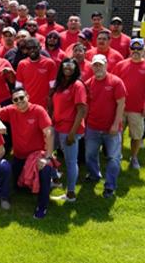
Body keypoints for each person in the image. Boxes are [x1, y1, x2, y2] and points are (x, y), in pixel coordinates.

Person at [0, 88, 54, 219]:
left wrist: (47, 157)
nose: (19, 101)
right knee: (17, 187)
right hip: (19, 156)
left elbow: (50, 132)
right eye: (15, 99)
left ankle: (42, 206)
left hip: (36, 155)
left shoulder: (38, 110)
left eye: (21, 98)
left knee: (45, 169)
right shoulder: (11, 110)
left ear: (28, 97)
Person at [112, 39, 145, 169]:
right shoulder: (120, 65)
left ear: (143, 50)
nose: (136, 52)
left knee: (136, 136)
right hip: (120, 108)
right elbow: (114, 85)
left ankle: (133, 157)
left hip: (138, 109)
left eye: (139, 49)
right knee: (118, 134)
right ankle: (118, 155)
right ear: (130, 49)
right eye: (134, 49)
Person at [84, 54, 125, 198]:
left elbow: (121, 104)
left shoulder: (116, 82)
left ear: (106, 65)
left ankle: (110, 186)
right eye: (95, 65)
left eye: (100, 64)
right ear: (92, 67)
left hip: (112, 129)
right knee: (89, 155)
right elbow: (86, 106)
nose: (98, 67)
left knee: (114, 158)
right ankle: (95, 175)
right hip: (93, 127)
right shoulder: (89, 83)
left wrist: (115, 124)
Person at [50, 58, 87, 202]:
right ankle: (55, 178)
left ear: (75, 68)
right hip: (57, 126)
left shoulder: (78, 85)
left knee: (71, 162)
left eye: (71, 65)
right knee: (46, 153)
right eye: (65, 65)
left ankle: (71, 194)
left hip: (69, 129)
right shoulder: (60, 84)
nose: (68, 68)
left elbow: (82, 110)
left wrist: (72, 133)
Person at [15, 38, 57, 109]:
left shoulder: (50, 63)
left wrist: (49, 104)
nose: (32, 50)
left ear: (40, 48)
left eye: (34, 47)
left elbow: (53, 87)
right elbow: (18, 87)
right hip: (27, 105)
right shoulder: (21, 64)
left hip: (44, 106)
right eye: (29, 48)